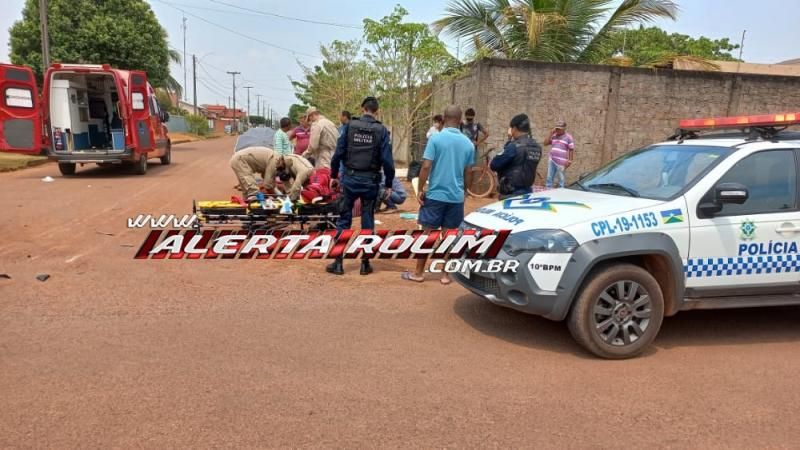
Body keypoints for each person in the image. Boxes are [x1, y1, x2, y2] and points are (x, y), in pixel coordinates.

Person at [402, 105, 474, 285]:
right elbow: (469, 172)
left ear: (443, 118)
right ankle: (444, 275)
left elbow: (426, 166)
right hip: (455, 198)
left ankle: (418, 273)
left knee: (427, 234)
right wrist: (465, 191)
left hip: (435, 195)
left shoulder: (436, 139)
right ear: (460, 121)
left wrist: (420, 190)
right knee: (449, 236)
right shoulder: (468, 143)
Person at [326, 96, 395, 276]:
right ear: (376, 111)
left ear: (362, 108)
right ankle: (365, 263)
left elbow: (338, 154)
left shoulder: (350, 127)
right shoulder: (381, 130)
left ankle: (338, 262)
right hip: (370, 183)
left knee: (344, 220)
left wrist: (333, 175)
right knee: (367, 221)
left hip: (349, 180)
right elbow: (387, 161)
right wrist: (388, 183)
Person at [490, 113, 542, 199]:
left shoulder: (513, 146)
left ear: (514, 128)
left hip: (511, 193)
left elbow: (494, 164)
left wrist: (508, 141)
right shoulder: (537, 146)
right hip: (528, 192)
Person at [544, 120, 575, 189]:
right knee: (549, 177)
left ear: (564, 129)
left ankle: (561, 192)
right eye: (557, 128)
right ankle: (548, 191)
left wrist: (570, 161)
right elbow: (545, 143)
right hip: (552, 159)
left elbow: (571, 149)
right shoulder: (554, 136)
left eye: (560, 129)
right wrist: (550, 133)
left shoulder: (568, 137)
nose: (558, 130)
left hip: (562, 162)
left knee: (561, 179)